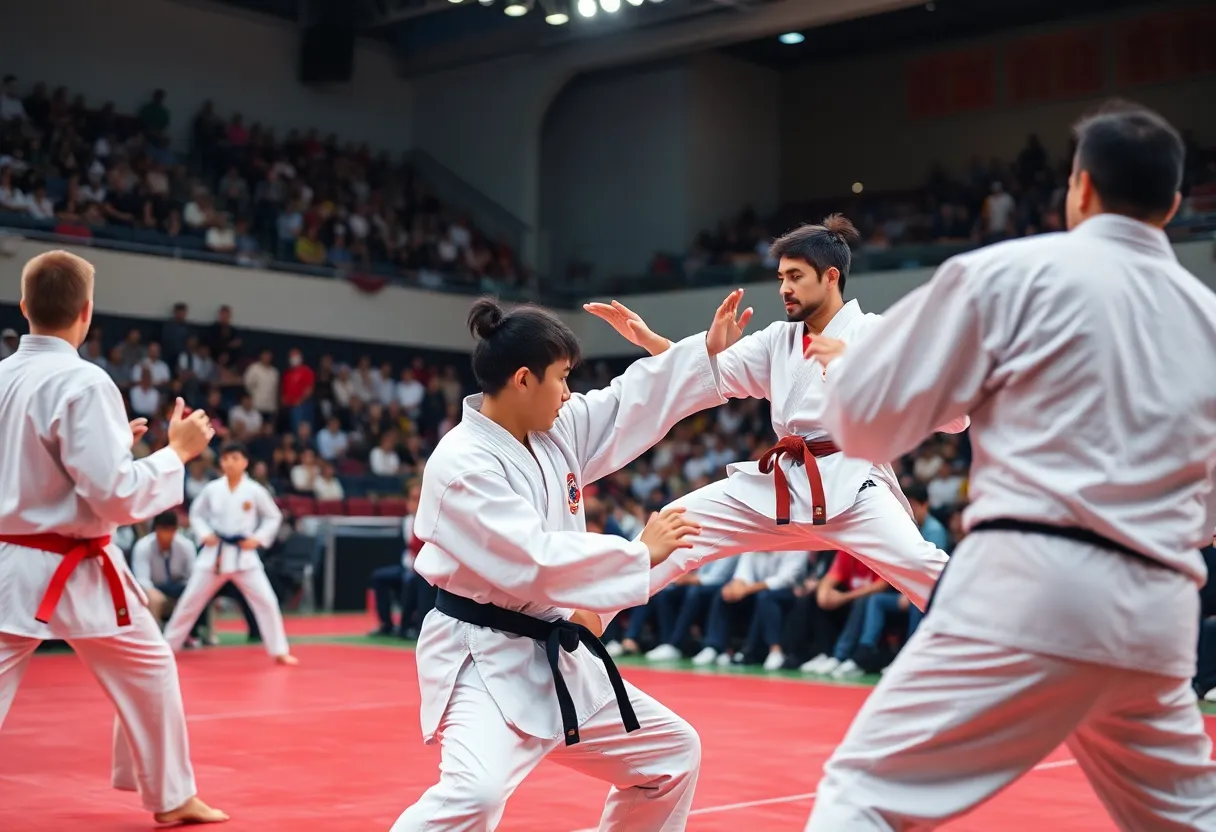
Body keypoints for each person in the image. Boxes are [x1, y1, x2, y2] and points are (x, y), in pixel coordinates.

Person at [803, 102, 1216, 830]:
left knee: (865, 795)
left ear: (1079, 188)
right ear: (1174, 205)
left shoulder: (1009, 271)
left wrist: (854, 362)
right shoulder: (1207, 317)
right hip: (1160, 608)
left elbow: (862, 423)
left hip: (1032, 580)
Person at [392, 293, 745, 831]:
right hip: (485, 656)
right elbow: (532, 559)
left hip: (554, 649)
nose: (569, 391)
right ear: (523, 380)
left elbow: (628, 402)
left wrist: (701, 351)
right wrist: (638, 552)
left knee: (670, 756)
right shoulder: (462, 463)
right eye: (561, 377)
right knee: (476, 796)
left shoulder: (552, 429)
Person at [586, 215, 968, 611]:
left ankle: (1017, 641)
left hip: (853, 483)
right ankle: (588, 621)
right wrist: (657, 344)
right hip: (784, 481)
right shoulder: (777, 340)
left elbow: (954, 415)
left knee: (924, 567)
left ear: (830, 276)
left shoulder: (876, 333)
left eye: (796, 276)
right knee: (676, 523)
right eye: (781, 277)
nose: (784, 288)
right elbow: (712, 373)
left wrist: (861, 368)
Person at [0, 250, 226, 824]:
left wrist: (110, 444)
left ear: (25, 307)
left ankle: (172, 796)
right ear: (87, 312)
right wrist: (177, 452)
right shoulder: (82, 381)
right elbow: (116, 498)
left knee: (149, 665)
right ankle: (172, 798)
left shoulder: (3, 377)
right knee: (149, 671)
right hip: (67, 562)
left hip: (14, 563)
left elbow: (37, 464)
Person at [162, 442, 295, 665]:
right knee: (190, 601)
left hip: (243, 555)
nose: (229, 462)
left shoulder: (255, 490)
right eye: (225, 458)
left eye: (235, 458)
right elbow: (196, 514)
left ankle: (279, 650)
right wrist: (204, 534)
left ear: (244, 462)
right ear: (221, 462)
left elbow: (273, 517)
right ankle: (168, 647)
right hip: (215, 554)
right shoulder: (212, 489)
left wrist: (258, 538)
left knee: (267, 601)